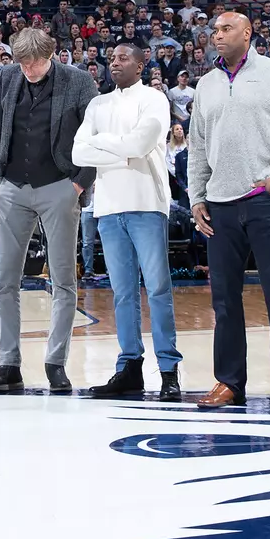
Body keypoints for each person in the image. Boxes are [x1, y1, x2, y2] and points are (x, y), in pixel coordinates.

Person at [188, 10, 270, 411]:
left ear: (248, 33)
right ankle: (229, 382)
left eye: (226, 29)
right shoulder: (206, 84)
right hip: (220, 206)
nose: (217, 36)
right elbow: (196, 147)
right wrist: (196, 197)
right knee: (224, 300)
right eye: (214, 31)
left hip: (267, 200)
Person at [0, 28, 98, 393]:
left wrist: (78, 184)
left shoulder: (79, 81)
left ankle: (55, 363)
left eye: (36, 62)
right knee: (5, 282)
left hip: (59, 187)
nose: (29, 69)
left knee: (63, 280)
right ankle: (8, 363)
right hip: (11, 189)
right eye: (23, 62)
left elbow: (94, 137)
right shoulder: (7, 78)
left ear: (53, 54)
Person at [71, 43, 181, 400]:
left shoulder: (155, 99)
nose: (114, 63)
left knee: (159, 290)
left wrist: (102, 143)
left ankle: (168, 370)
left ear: (141, 62)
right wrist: (122, 145)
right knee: (122, 294)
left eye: (123, 58)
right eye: (112, 58)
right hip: (107, 206)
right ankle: (129, 367)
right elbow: (77, 151)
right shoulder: (97, 103)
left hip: (147, 201)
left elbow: (142, 143)